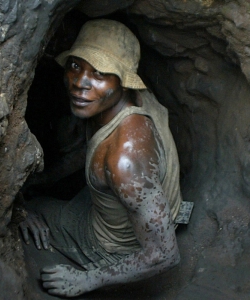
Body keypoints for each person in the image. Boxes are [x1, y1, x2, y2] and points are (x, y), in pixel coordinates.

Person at [20, 19, 183, 297]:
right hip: (137, 206)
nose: (80, 83)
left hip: (119, 247)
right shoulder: (127, 102)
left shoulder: (125, 160)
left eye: (99, 72)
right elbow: (93, 153)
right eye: (75, 65)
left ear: (122, 80)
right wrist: (40, 178)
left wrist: (86, 280)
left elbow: (164, 254)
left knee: (31, 209)